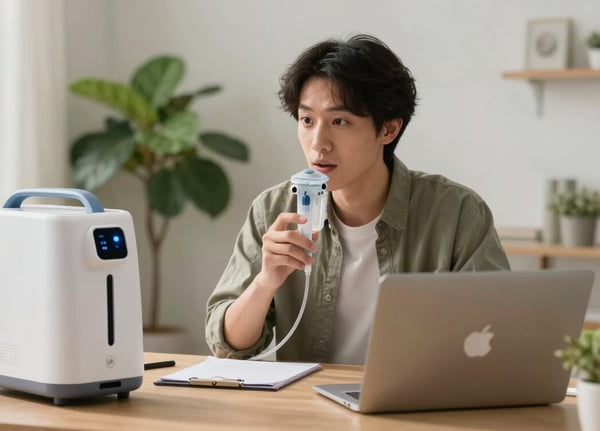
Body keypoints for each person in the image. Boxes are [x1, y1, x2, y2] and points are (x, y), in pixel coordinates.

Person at [204, 34, 510, 364]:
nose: (318, 143)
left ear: (389, 130)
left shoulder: (457, 214)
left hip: (417, 405)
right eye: (307, 120)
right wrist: (266, 281)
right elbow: (228, 346)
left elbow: (499, 336)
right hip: (309, 409)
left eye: (340, 121)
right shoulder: (274, 210)